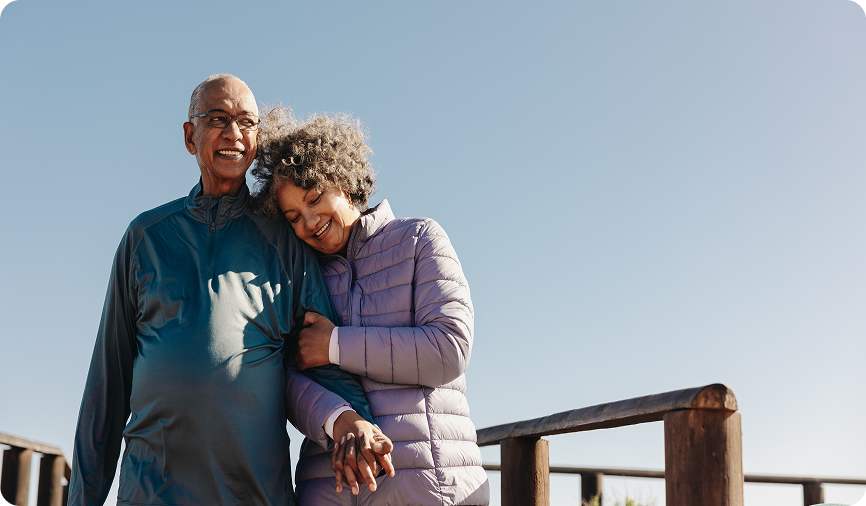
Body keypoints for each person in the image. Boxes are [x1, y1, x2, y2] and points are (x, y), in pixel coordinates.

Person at [67, 74, 391, 506]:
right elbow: (104, 392)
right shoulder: (145, 237)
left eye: (246, 121)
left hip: (256, 496)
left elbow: (325, 367)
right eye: (217, 118)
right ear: (189, 135)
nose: (233, 133)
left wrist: (359, 425)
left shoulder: (286, 241)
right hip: (150, 495)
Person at [251, 109, 490, 506]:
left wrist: (335, 346)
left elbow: (449, 349)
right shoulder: (296, 277)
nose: (309, 222)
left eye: (315, 199)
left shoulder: (419, 240)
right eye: (293, 217)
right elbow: (287, 379)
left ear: (344, 181)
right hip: (327, 490)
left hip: (428, 489)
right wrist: (340, 420)